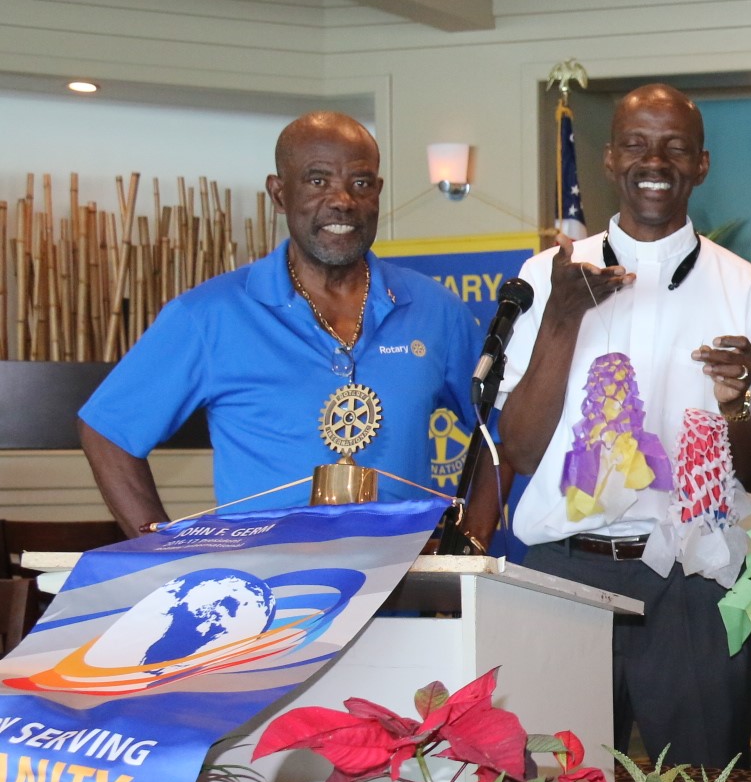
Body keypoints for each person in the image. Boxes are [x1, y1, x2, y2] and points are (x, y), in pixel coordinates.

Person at [497, 83, 751, 770]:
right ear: (608, 159)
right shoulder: (546, 277)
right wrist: (564, 319)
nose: (654, 161)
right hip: (564, 572)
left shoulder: (747, 288)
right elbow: (519, 449)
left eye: (675, 147)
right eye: (636, 144)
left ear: (702, 164)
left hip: (693, 582)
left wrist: (734, 399)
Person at [79, 111, 493, 539]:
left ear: (378, 193)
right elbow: (106, 431)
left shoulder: (436, 310)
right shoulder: (208, 315)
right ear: (279, 194)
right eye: (317, 181)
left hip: (404, 592)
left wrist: (474, 540)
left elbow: (499, 431)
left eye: (361, 183)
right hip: (266, 595)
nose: (342, 200)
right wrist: (159, 547)